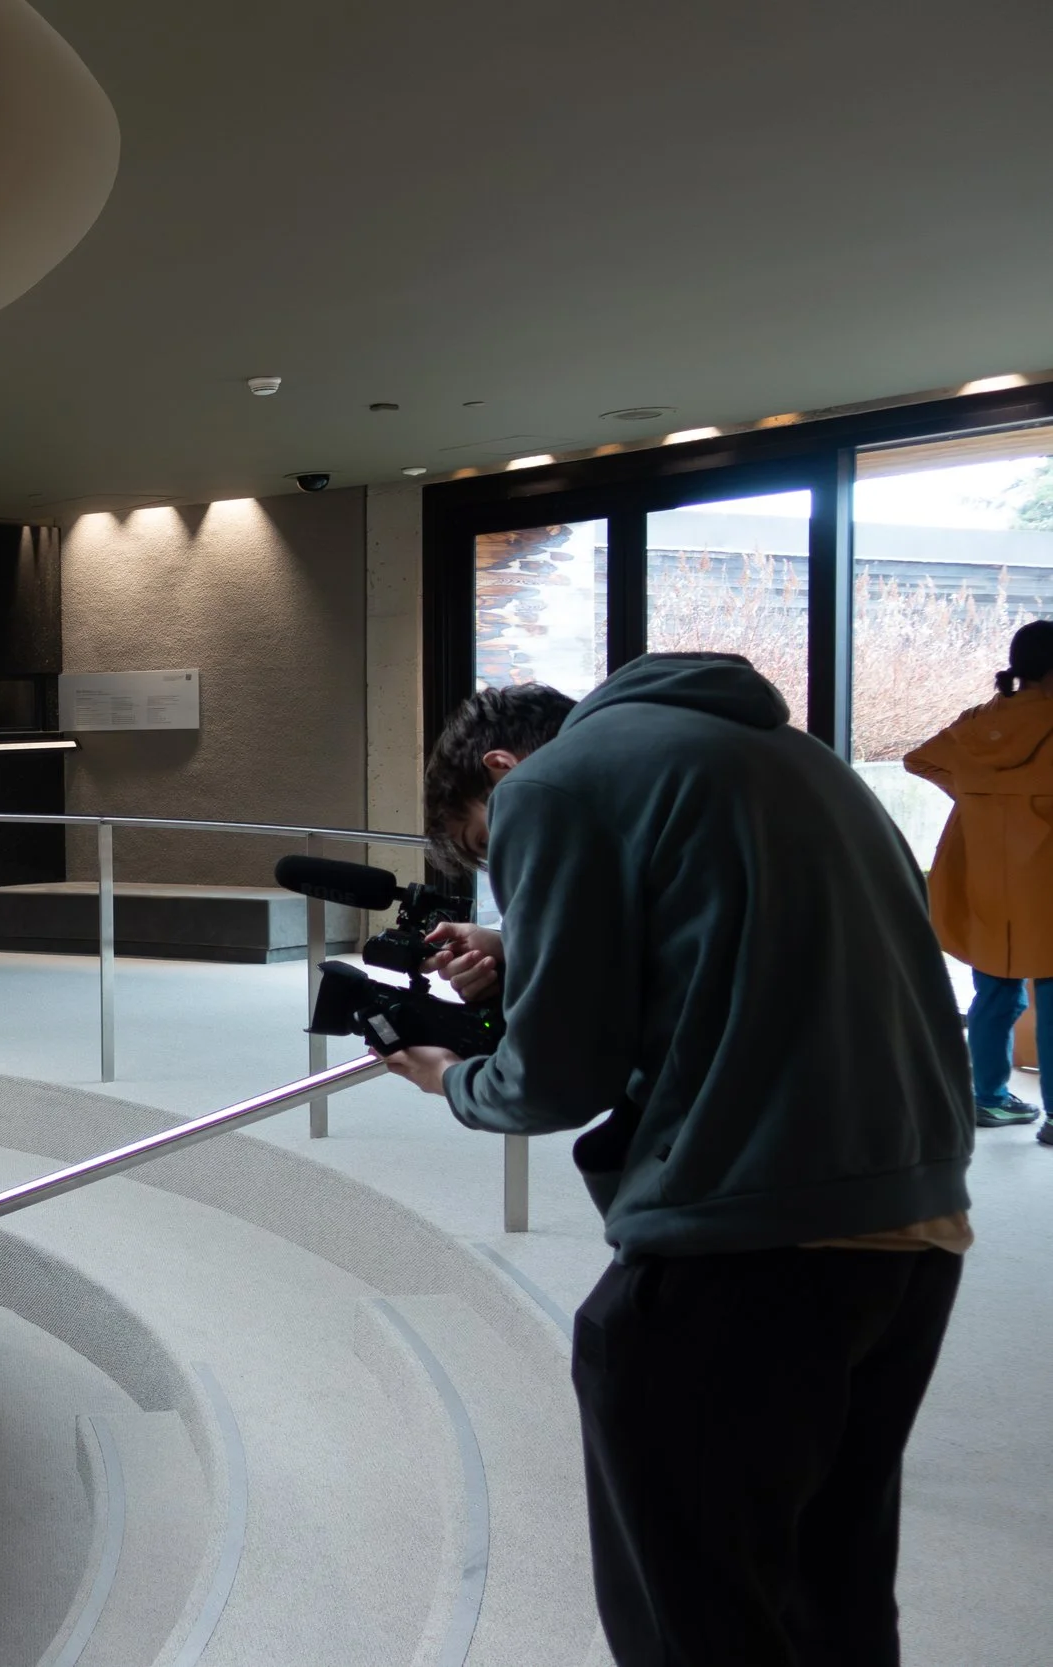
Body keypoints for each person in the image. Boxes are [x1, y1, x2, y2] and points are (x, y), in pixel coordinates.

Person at [382, 654, 973, 1666]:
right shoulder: (794, 758)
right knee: (832, 1599)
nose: (503, 853)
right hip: (912, 1225)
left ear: (500, 768)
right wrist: (527, 944)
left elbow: (557, 1075)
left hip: (743, 1232)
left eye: (488, 843)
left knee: (691, 1619)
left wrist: (452, 1079)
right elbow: (745, 948)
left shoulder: (548, 785)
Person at [905, 620, 1053, 1137]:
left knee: (994, 990)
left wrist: (978, 797)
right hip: (1045, 880)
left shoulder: (979, 722)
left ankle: (988, 1098)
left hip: (986, 877)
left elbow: (918, 759)